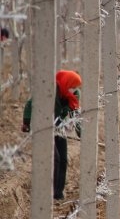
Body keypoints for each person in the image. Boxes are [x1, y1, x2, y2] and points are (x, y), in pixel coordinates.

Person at [22, 70, 82, 201]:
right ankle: (49, 193)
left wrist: (82, 133)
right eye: (72, 86)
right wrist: (26, 122)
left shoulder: (75, 94)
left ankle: (58, 194)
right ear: (66, 82)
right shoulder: (50, 89)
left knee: (63, 160)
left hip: (59, 128)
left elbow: (75, 115)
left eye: (75, 87)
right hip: (44, 127)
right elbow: (30, 104)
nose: (73, 89)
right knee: (55, 158)